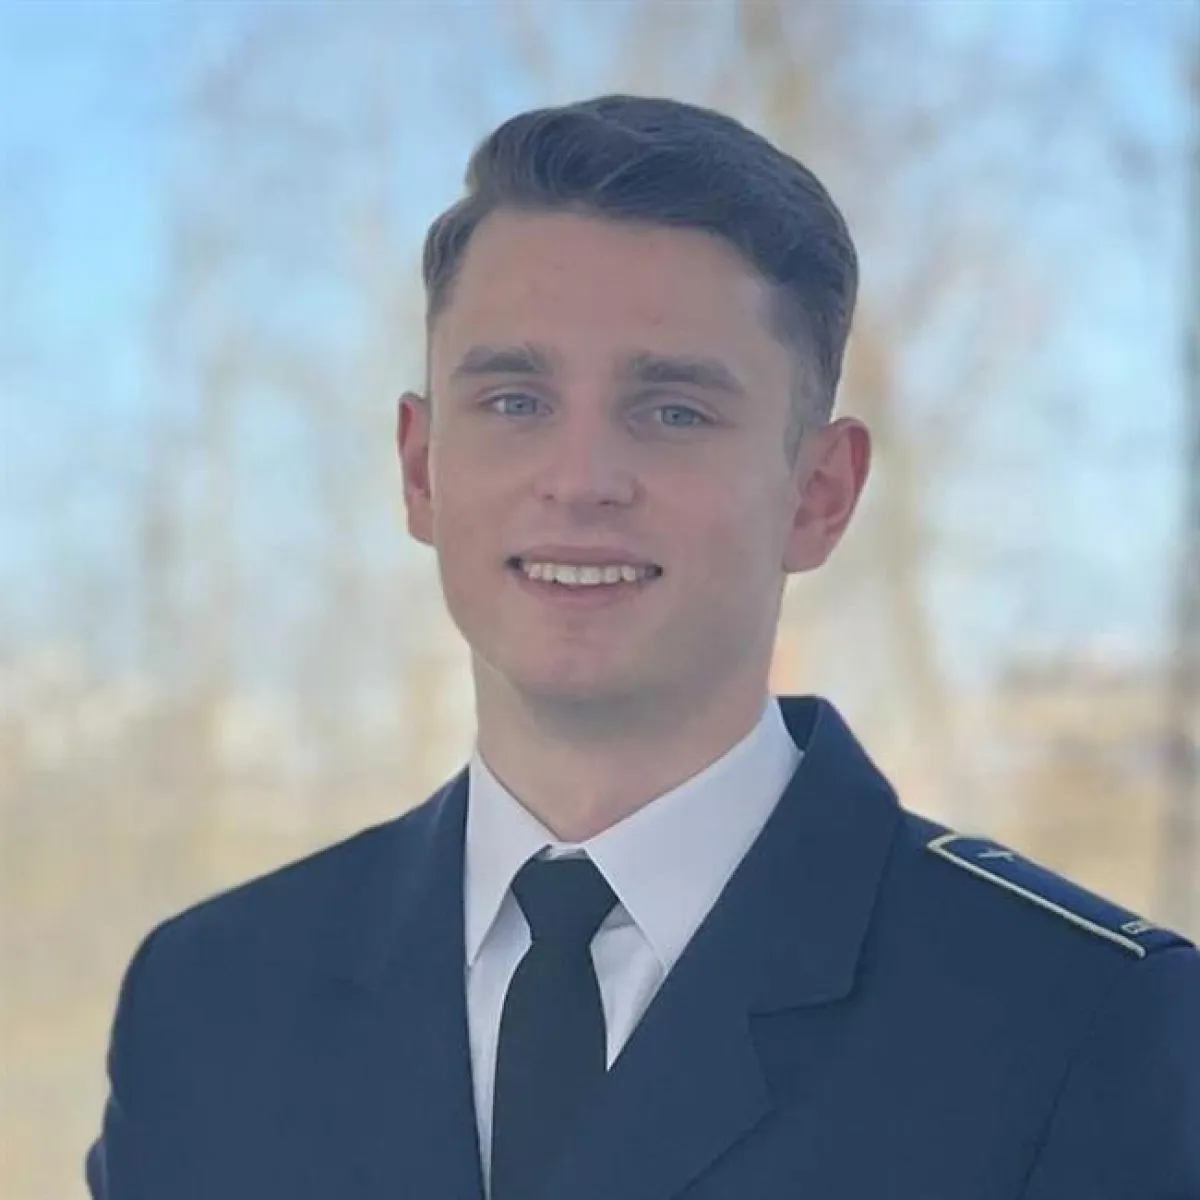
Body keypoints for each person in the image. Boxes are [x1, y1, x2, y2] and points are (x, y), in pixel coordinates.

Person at [87, 95, 1199, 1200]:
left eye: (673, 412)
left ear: (819, 494)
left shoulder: (1081, 1024)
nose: (581, 480)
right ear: (421, 469)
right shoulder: (207, 1002)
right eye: (515, 401)